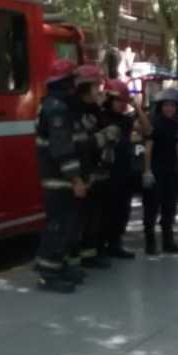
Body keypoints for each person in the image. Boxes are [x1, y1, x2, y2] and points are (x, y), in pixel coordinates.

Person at [35, 59, 89, 293]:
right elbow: (62, 149)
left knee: (66, 226)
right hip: (59, 180)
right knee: (57, 226)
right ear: (67, 83)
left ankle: (59, 266)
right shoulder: (57, 109)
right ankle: (48, 274)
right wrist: (76, 179)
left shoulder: (58, 105)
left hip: (60, 179)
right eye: (74, 80)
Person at [70, 64, 120, 269]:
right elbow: (80, 145)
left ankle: (90, 255)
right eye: (96, 86)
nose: (100, 90)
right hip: (83, 173)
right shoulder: (75, 112)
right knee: (80, 219)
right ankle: (75, 260)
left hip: (98, 172)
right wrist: (104, 136)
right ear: (85, 88)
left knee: (94, 217)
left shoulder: (94, 110)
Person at [98, 79, 151, 259]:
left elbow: (147, 130)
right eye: (117, 100)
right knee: (104, 212)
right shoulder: (100, 117)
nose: (120, 104)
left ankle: (115, 244)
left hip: (123, 172)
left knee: (122, 210)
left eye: (123, 101)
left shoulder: (124, 120)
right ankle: (100, 247)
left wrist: (136, 107)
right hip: (105, 173)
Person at [142, 88, 178, 255]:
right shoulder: (154, 124)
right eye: (166, 105)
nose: (169, 108)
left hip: (171, 172)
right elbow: (148, 148)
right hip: (156, 171)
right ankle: (150, 244)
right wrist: (147, 171)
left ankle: (168, 242)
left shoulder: (175, 124)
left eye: (172, 105)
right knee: (152, 209)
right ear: (160, 107)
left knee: (169, 208)